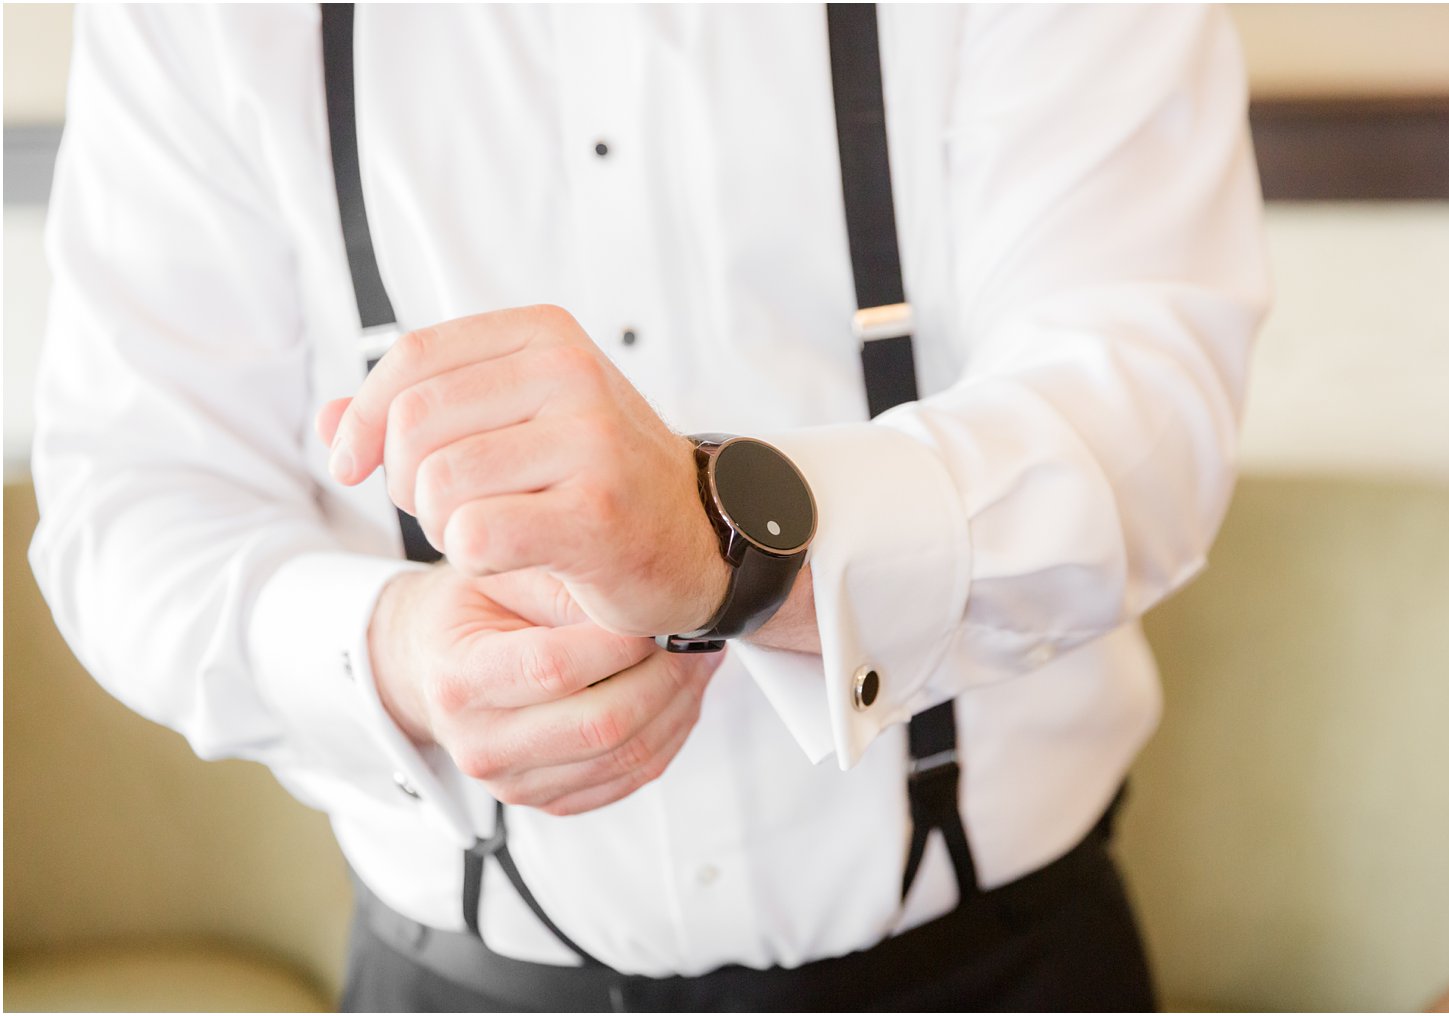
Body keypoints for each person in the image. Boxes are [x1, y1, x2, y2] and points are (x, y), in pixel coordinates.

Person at [30, 4, 1269, 1011]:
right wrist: (395, 654)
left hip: (999, 967)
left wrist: (724, 540)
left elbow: (1142, 416)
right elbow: (131, 500)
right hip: (455, 979)